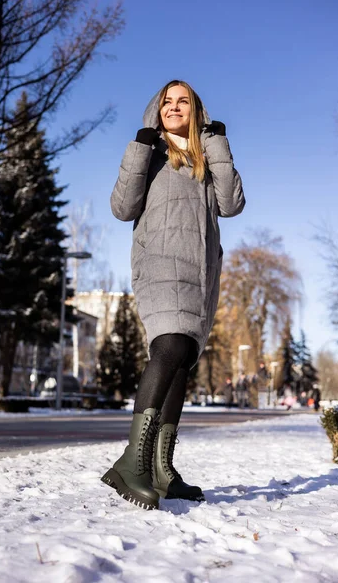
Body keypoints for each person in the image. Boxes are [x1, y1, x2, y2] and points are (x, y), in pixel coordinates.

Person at [101, 80, 245, 510]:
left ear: (196, 110)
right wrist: (139, 148)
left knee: (181, 358)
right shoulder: (151, 151)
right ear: (156, 109)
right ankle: (132, 462)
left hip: (200, 271)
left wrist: (217, 144)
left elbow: (232, 203)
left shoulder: (203, 157)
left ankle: (162, 469)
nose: (174, 107)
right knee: (168, 346)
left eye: (183, 101)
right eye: (167, 101)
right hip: (159, 264)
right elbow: (122, 208)